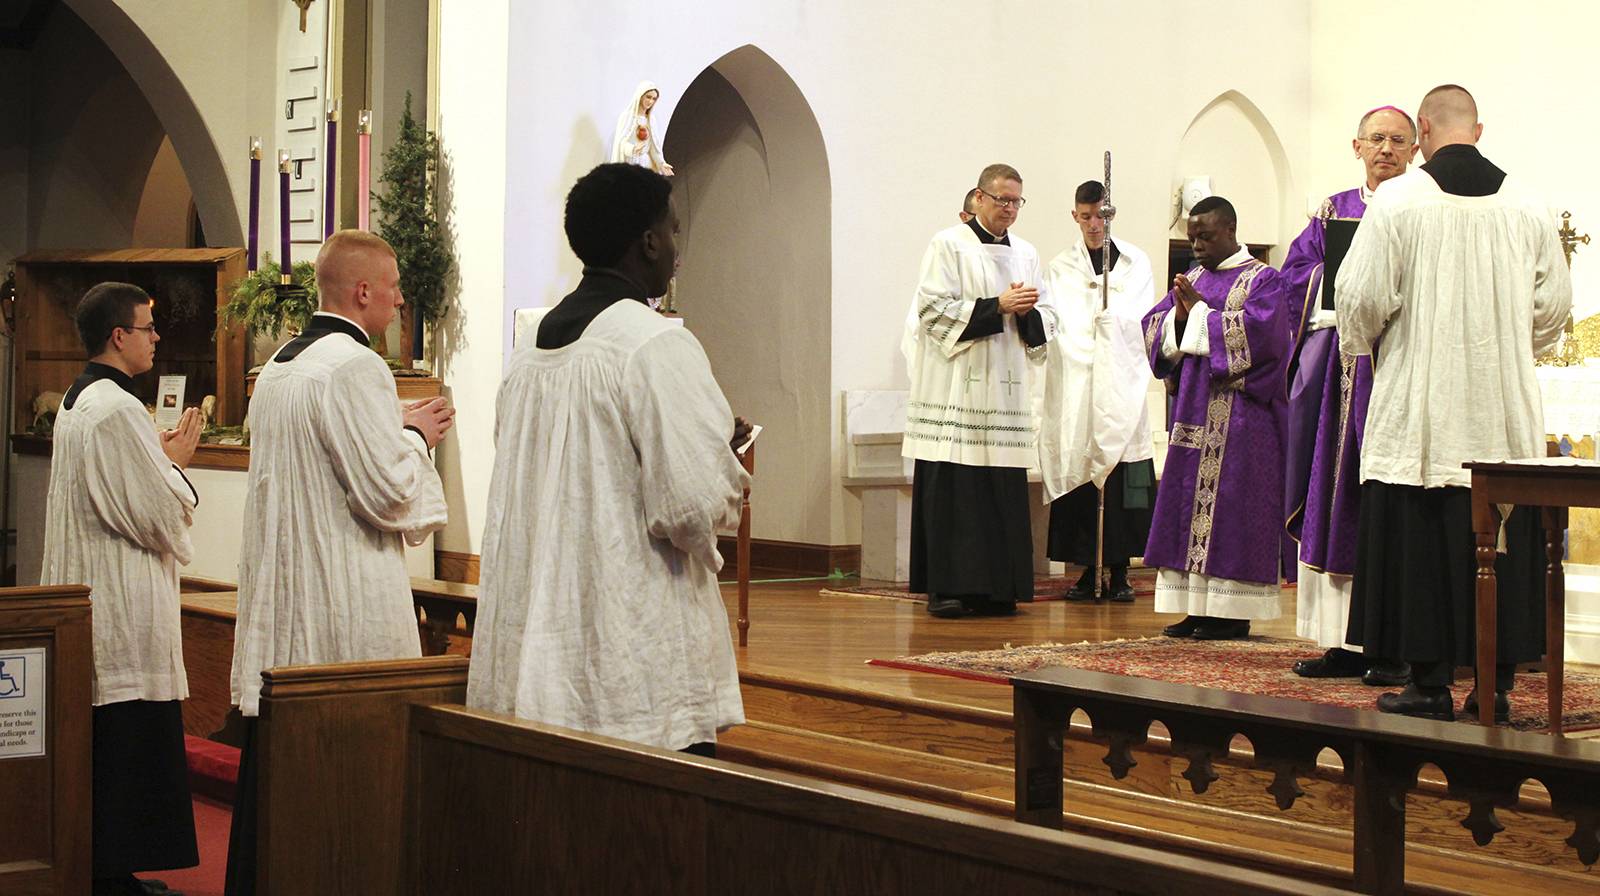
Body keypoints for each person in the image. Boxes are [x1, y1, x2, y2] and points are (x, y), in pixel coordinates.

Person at [466, 163, 748, 754]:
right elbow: (692, 506)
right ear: (647, 242)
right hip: (628, 649)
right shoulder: (652, 341)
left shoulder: (529, 349)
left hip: (540, 632)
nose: (676, 248)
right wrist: (722, 462)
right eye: (671, 231)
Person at [224, 231, 453, 894]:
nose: (401, 298)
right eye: (394, 287)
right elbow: (387, 492)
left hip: (285, 606)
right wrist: (414, 434)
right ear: (362, 292)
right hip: (338, 611)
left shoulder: (280, 370)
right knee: (342, 782)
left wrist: (392, 425)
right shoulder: (356, 367)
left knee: (280, 777)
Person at [1338, 85, 1572, 722]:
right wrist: (1505, 351)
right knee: (1495, 544)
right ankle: (1493, 686)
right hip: (1501, 415)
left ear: (1421, 131)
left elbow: (1359, 300)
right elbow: (1552, 312)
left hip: (1423, 412)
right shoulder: (1528, 204)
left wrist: (1374, 342)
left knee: (1422, 545)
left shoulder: (1400, 200)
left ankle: (1429, 683)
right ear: (1479, 128)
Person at [42, 281, 202, 895]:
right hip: (119, 609)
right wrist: (176, 465)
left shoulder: (81, 400)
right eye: (148, 328)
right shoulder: (116, 408)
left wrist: (153, 462)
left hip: (95, 598)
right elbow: (158, 515)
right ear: (119, 336)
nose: (156, 338)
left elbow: (123, 490)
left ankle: (113, 870)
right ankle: (110, 875)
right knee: (123, 749)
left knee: (110, 748)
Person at [1281, 106, 1416, 686]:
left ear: (1416, 149)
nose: (1386, 149)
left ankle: (1399, 639)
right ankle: (1339, 639)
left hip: (1402, 365)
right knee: (1335, 494)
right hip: (1341, 370)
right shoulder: (1333, 210)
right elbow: (1293, 276)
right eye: (1376, 139)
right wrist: (1337, 279)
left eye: (1398, 140)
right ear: (1356, 145)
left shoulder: (1422, 205)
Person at [903, 163, 1056, 618]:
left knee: (1000, 487)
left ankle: (998, 587)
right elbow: (931, 310)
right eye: (1002, 200)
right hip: (956, 388)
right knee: (957, 486)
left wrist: (1028, 313)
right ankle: (947, 587)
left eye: (1016, 202)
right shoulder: (948, 244)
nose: (1009, 209)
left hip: (1003, 388)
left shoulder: (1026, 253)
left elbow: (1048, 315)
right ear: (979, 198)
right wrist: (997, 306)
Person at [1142, 197, 1292, 641]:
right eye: (1191, 237)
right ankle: (1196, 607)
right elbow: (1154, 326)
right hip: (1193, 414)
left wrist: (1199, 317)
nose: (1197, 246)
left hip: (1244, 424)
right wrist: (1180, 319)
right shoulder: (1192, 277)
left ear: (1230, 229)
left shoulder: (1264, 280)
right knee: (1188, 507)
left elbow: (1266, 340)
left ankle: (1230, 612)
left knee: (1233, 513)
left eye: (1205, 236)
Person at [1039, 180, 1157, 602]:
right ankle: (1088, 570)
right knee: (1083, 471)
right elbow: (1060, 323)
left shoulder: (1135, 262)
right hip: (1079, 381)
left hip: (1122, 381)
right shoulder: (1061, 267)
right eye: (1085, 216)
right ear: (1075, 216)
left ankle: (1120, 570)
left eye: (1100, 216)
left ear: (1112, 214)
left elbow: (1143, 318)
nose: (1093, 225)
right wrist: (1090, 344)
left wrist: (1114, 331)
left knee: (1123, 477)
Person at [610, 80, 674, 176]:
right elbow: (621, 143)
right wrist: (633, 149)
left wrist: (661, 163)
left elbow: (653, 146)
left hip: (645, 163)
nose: (650, 101)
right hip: (630, 163)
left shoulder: (651, 120)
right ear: (640, 96)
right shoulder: (627, 117)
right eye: (648, 97)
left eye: (653, 99)